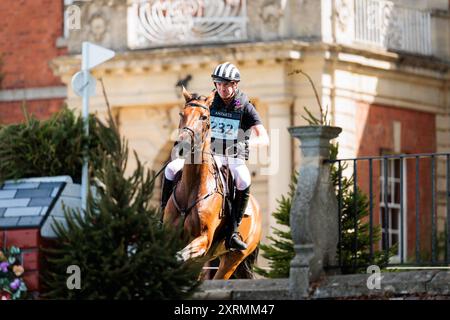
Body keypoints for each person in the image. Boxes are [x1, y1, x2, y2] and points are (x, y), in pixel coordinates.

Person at [161, 62, 269, 251]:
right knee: (171, 168)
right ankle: (163, 216)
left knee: (243, 179)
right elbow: (196, 119)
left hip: (234, 154)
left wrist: (244, 143)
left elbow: (264, 138)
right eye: (218, 84)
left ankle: (233, 231)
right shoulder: (211, 102)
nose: (222, 88)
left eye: (226, 85)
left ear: (235, 85)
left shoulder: (245, 106)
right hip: (210, 152)